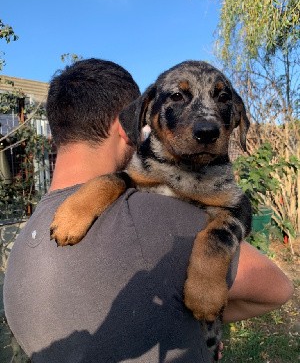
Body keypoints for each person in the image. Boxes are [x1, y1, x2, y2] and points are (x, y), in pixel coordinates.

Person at [4, 58, 293, 363]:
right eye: (179, 97)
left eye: (221, 98)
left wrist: (207, 287)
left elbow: (235, 208)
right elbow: (278, 289)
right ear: (140, 118)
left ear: (235, 117)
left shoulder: (25, 246)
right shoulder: (145, 208)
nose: (206, 122)